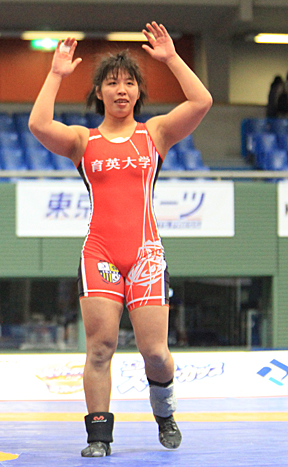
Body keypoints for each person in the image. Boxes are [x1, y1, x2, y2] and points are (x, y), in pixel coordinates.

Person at [29, 22, 212, 457]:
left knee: (155, 352)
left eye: (130, 82)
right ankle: (98, 439)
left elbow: (202, 101)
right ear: (99, 93)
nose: (122, 90)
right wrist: (55, 74)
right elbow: (38, 124)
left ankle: (164, 412)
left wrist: (170, 58)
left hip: (146, 255)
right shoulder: (81, 141)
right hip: (101, 255)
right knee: (100, 348)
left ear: (138, 93)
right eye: (112, 83)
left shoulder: (157, 134)